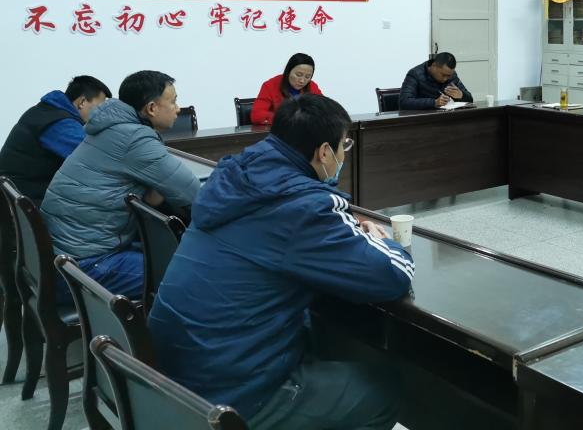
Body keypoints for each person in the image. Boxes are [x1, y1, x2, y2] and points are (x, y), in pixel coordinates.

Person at [148, 93, 413, 430]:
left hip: (173, 373)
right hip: (230, 397)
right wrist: (382, 241)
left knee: (315, 329)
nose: (344, 153)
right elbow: (391, 275)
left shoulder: (231, 177)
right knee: (381, 388)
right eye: (344, 145)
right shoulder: (303, 206)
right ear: (324, 152)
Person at [41, 71, 200, 299]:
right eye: (173, 101)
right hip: (82, 267)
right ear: (152, 108)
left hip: (62, 254)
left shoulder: (109, 128)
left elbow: (152, 192)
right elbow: (194, 195)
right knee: (193, 273)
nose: (178, 108)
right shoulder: (135, 138)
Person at [0, 76, 111, 204]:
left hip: (14, 194)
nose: (102, 114)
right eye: (100, 108)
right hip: (25, 200)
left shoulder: (45, 111)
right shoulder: (60, 124)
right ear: (82, 102)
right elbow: (96, 157)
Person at [252, 53, 323, 125]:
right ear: (288, 71)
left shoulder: (312, 86)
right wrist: (289, 119)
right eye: (298, 75)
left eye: (307, 77)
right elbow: (257, 115)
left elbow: (325, 111)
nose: (302, 80)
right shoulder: (270, 85)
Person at [399, 52, 474, 110]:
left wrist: (461, 95)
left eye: (448, 76)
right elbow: (404, 102)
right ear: (434, 66)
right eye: (443, 75)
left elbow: (470, 99)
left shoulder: (452, 75)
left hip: (447, 117)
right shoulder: (415, 74)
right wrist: (434, 102)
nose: (445, 79)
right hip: (422, 119)